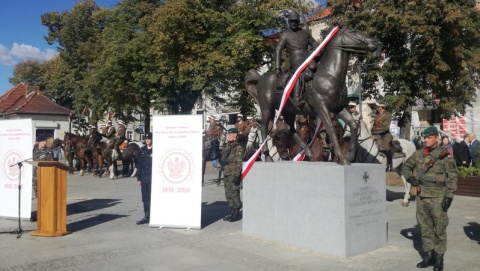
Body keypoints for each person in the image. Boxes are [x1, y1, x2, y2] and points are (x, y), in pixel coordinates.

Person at [402, 126, 457, 271]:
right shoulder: (418, 154)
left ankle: (439, 259)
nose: (425, 139)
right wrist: (410, 178)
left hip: (439, 197)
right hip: (422, 197)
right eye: (424, 137)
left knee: (439, 229)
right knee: (425, 228)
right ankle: (429, 256)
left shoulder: (445, 155)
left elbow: (452, 176)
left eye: (428, 137)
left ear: (436, 138)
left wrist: (449, 196)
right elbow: (405, 167)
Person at [275, 11, 319, 107]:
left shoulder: (305, 33)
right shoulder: (285, 34)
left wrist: (317, 50)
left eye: (295, 21)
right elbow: (278, 49)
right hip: (295, 58)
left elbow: (314, 44)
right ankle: (296, 98)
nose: (293, 23)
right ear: (288, 22)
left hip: (307, 57)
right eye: (291, 21)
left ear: (299, 21)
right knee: (299, 72)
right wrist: (277, 67)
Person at [219, 128, 244, 222]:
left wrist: (238, 175)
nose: (228, 136)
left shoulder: (238, 148)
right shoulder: (227, 146)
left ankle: (236, 213)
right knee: (228, 193)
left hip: (233, 172)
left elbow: (239, 162)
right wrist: (221, 160)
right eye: (227, 134)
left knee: (234, 193)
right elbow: (223, 157)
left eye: (230, 134)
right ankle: (232, 211)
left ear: (235, 135)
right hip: (226, 171)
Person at [136, 132, 153, 225]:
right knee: (145, 198)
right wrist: (139, 178)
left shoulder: (156, 150)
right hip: (144, 177)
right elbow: (139, 165)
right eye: (146, 139)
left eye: (149, 139)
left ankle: (153, 216)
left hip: (152, 178)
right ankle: (146, 216)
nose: (147, 140)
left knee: (152, 198)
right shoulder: (142, 150)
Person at [371, 100, 393, 171]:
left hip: (385, 134)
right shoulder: (377, 115)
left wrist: (376, 132)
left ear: (380, 107)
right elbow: (374, 126)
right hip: (376, 133)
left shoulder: (388, 115)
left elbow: (385, 128)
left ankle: (389, 165)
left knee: (387, 147)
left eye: (377, 106)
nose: (376, 108)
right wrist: (371, 131)